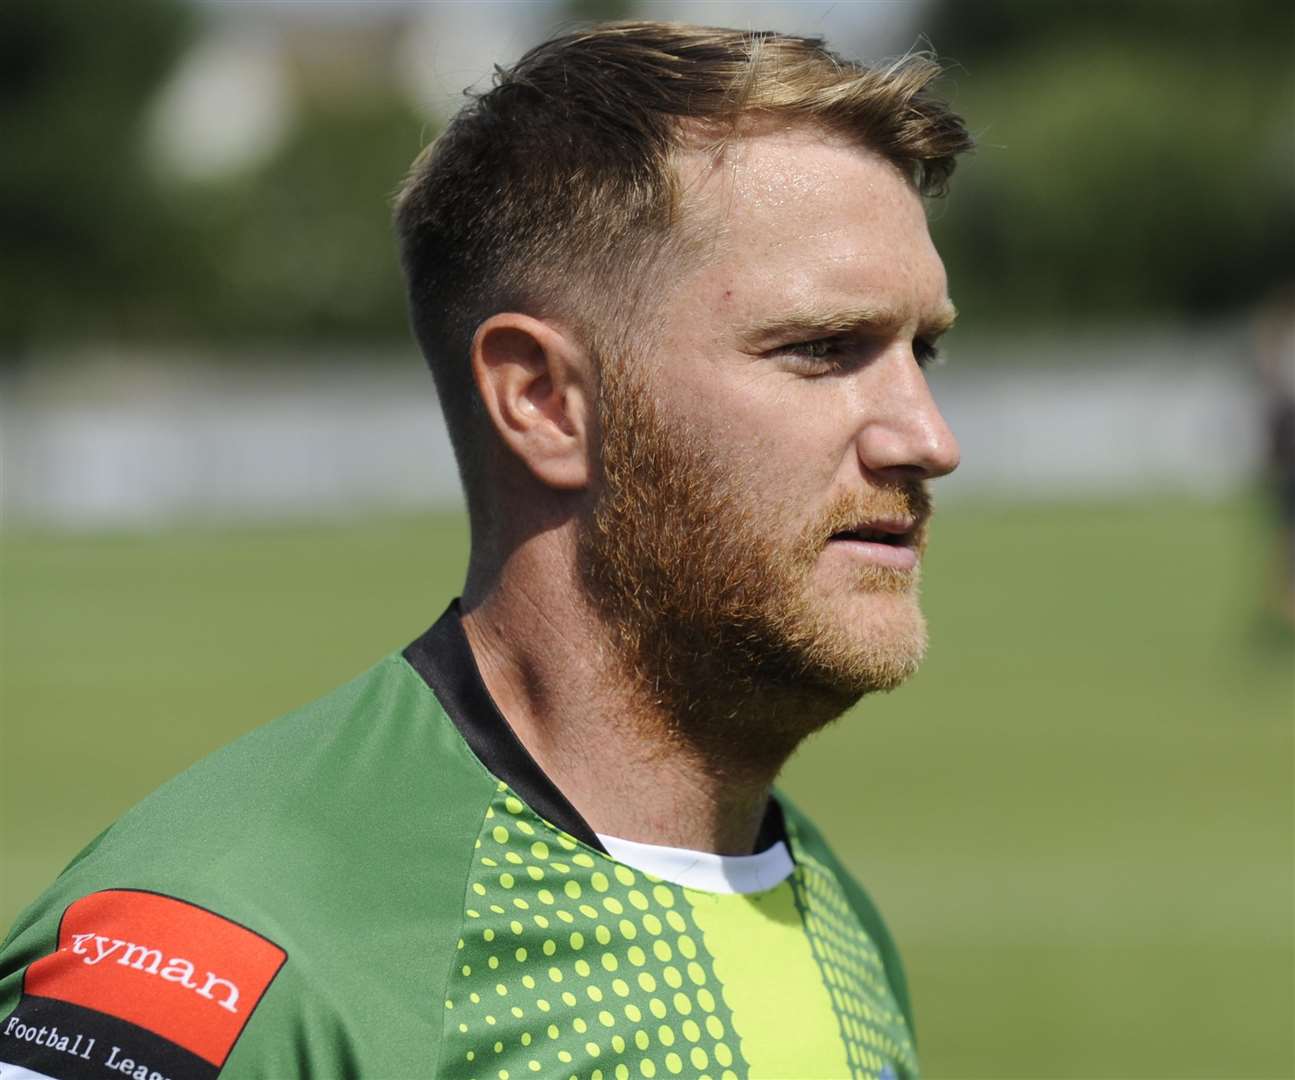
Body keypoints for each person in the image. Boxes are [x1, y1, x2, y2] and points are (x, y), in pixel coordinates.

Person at [0, 22, 971, 1080]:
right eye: (821, 349)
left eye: (919, 349)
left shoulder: (823, 911)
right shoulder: (220, 952)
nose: (926, 439)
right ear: (543, 400)